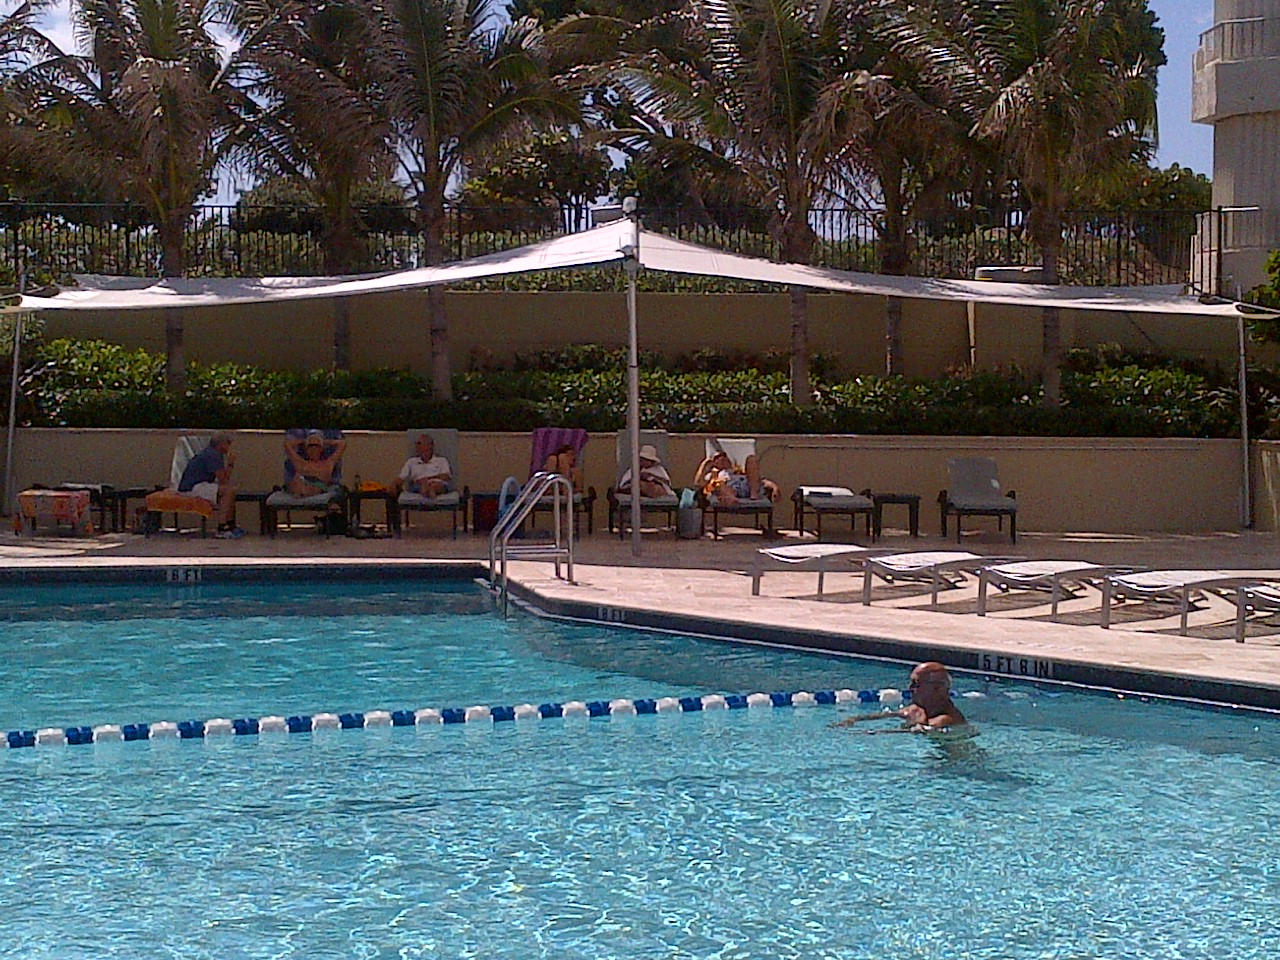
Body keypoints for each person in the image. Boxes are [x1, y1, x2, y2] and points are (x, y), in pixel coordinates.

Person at [832, 661, 968, 733]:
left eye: (916, 684)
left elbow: (915, 731)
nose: (910, 689)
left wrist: (871, 733)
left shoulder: (947, 719)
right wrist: (854, 719)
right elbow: (888, 715)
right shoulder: (916, 710)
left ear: (937, 688)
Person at [177, 432, 242, 538]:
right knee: (228, 490)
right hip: (191, 488)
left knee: (230, 489)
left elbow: (223, 480)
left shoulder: (213, 454)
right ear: (221, 444)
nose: (229, 446)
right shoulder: (213, 455)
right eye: (228, 443)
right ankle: (222, 528)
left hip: (198, 485)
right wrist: (230, 464)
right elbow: (223, 480)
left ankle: (230, 526)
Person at [694, 448, 780, 505]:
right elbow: (698, 483)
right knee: (717, 483)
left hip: (749, 487)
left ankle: (754, 495)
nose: (722, 458)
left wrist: (774, 487)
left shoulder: (741, 470)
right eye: (717, 458)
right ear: (714, 463)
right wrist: (705, 463)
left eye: (724, 456)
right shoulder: (714, 474)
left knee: (751, 459)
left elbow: (762, 481)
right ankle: (731, 498)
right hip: (730, 490)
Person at [284, 430, 347, 497]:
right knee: (298, 480)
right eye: (310, 446)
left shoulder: (328, 464)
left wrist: (323, 441)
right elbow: (287, 444)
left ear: (321, 449)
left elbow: (342, 443)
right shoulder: (301, 463)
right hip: (298, 490)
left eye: (316, 446)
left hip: (317, 489)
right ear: (306, 449)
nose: (313, 449)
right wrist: (305, 441)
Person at [395, 433, 452, 498]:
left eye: (425, 444)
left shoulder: (441, 460)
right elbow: (401, 477)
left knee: (437, 485)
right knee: (422, 486)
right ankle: (428, 492)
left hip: (438, 484)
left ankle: (430, 490)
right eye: (419, 444)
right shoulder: (411, 461)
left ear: (431, 446)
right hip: (418, 485)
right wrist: (395, 484)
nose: (421, 447)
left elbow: (446, 476)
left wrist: (428, 479)